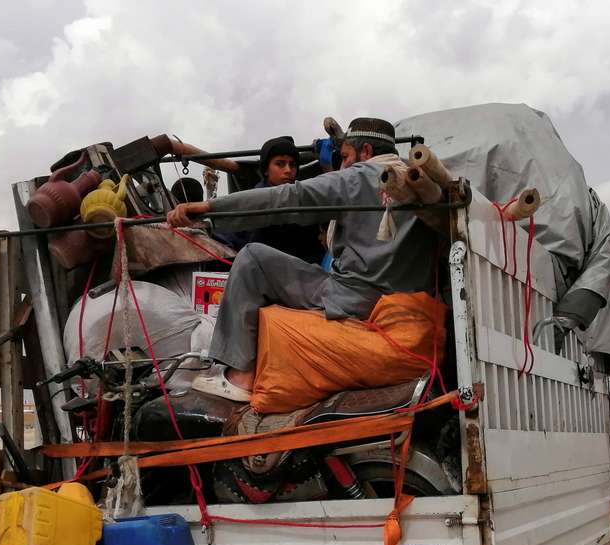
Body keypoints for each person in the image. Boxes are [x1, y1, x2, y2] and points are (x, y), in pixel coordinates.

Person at [167, 117, 440, 401]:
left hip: (355, 298)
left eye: (345, 156)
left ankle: (241, 377)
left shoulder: (357, 178)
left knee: (253, 259)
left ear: (366, 151)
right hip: (408, 301)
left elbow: (290, 198)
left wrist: (212, 208)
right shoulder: (421, 183)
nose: (343, 165)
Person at [169, 135, 325, 264]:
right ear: (265, 169)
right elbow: (231, 236)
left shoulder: (306, 200)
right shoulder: (249, 203)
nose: (288, 170)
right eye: (280, 164)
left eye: (292, 165)